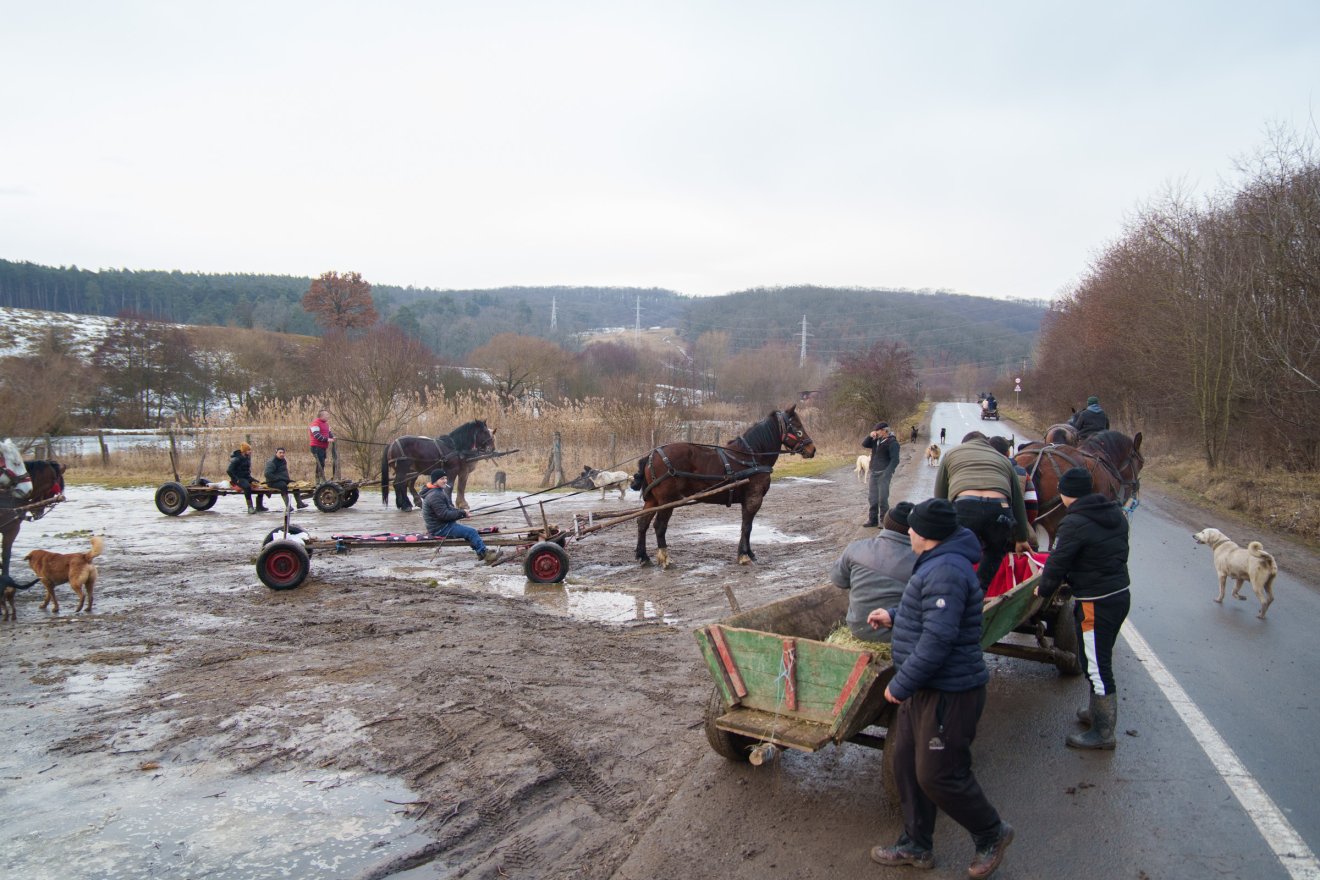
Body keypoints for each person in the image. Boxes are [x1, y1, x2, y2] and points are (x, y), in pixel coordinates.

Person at [866, 499, 1014, 878]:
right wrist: (895, 615)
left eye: (913, 528)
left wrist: (900, 685)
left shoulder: (946, 569)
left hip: (949, 693)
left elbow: (938, 638)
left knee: (939, 775)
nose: (909, 532)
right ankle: (916, 844)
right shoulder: (938, 561)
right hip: (926, 689)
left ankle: (991, 833)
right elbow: (930, 614)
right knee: (905, 765)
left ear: (927, 535)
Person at [1034, 467, 1131, 750]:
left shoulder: (1074, 522)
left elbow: (1058, 561)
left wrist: (1044, 589)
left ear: (1067, 493)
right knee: (1097, 658)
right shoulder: (1114, 514)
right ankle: (1094, 712)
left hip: (1095, 603)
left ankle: (1103, 733)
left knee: (1098, 667)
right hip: (1118, 596)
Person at [934, 432, 1033, 591]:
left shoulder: (951, 454)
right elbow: (1017, 502)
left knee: (954, 552)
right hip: (999, 510)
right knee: (994, 553)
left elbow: (940, 497)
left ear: (964, 444)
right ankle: (979, 593)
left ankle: (952, 592)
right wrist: (1021, 538)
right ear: (986, 443)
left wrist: (939, 534)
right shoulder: (1003, 460)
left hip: (964, 507)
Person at [828, 501, 916, 643]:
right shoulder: (924, 561)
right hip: (897, 637)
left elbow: (838, 580)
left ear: (886, 523)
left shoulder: (857, 548)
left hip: (858, 630)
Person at [421, 468, 504, 565]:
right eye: (442, 479)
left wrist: (462, 512)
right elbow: (444, 515)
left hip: (441, 525)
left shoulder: (437, 491)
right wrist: (463, 513)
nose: (445, 481)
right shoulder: (435, 495)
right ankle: (486, 555)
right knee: (471, 532)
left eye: (445, 478)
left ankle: (481, 552)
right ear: (435, 480)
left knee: (468, 531)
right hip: (439, 528)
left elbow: (449, 509)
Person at [986, 435, 1038, 529]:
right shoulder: (1022, 473)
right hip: (1013, 529)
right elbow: (1032, 507)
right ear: (1008, 452)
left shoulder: (976, 470)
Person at [861, 422, 900, 527]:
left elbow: (895, 460)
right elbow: (864, 444)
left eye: (877, 430)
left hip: (884, 474)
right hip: (874, 473)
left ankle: (883, 521)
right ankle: (872, 520)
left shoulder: (893, 443)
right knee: (872, 498)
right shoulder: (875, 440)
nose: (876, 432)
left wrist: (887, 473)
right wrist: (870, 436)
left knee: (882, 498)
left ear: (884, 430)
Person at [226, 442, 266, 513]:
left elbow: (246, 471)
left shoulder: (247, 458)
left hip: (247, 477)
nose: (250, 451)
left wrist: (251, 479)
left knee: (260, 484)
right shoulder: (237, 459)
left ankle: (259, 506)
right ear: (244, 451)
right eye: (248, 450)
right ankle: (250, 507)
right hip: (239, 479)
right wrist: (236, 479)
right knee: (247, 487)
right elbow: (229, 471)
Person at [309, 409, 335, 483]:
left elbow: (329, 433)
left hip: (323, 447)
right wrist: (327, 439)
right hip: (316, 447)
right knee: (320, 463)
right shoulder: (315, 424)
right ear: (321, 416)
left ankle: (320, 479)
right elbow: (317, 436)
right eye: (326, 415)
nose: (328, 416)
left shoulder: (326, 424)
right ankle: (319, 480)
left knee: (322, 463)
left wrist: (333, 437)